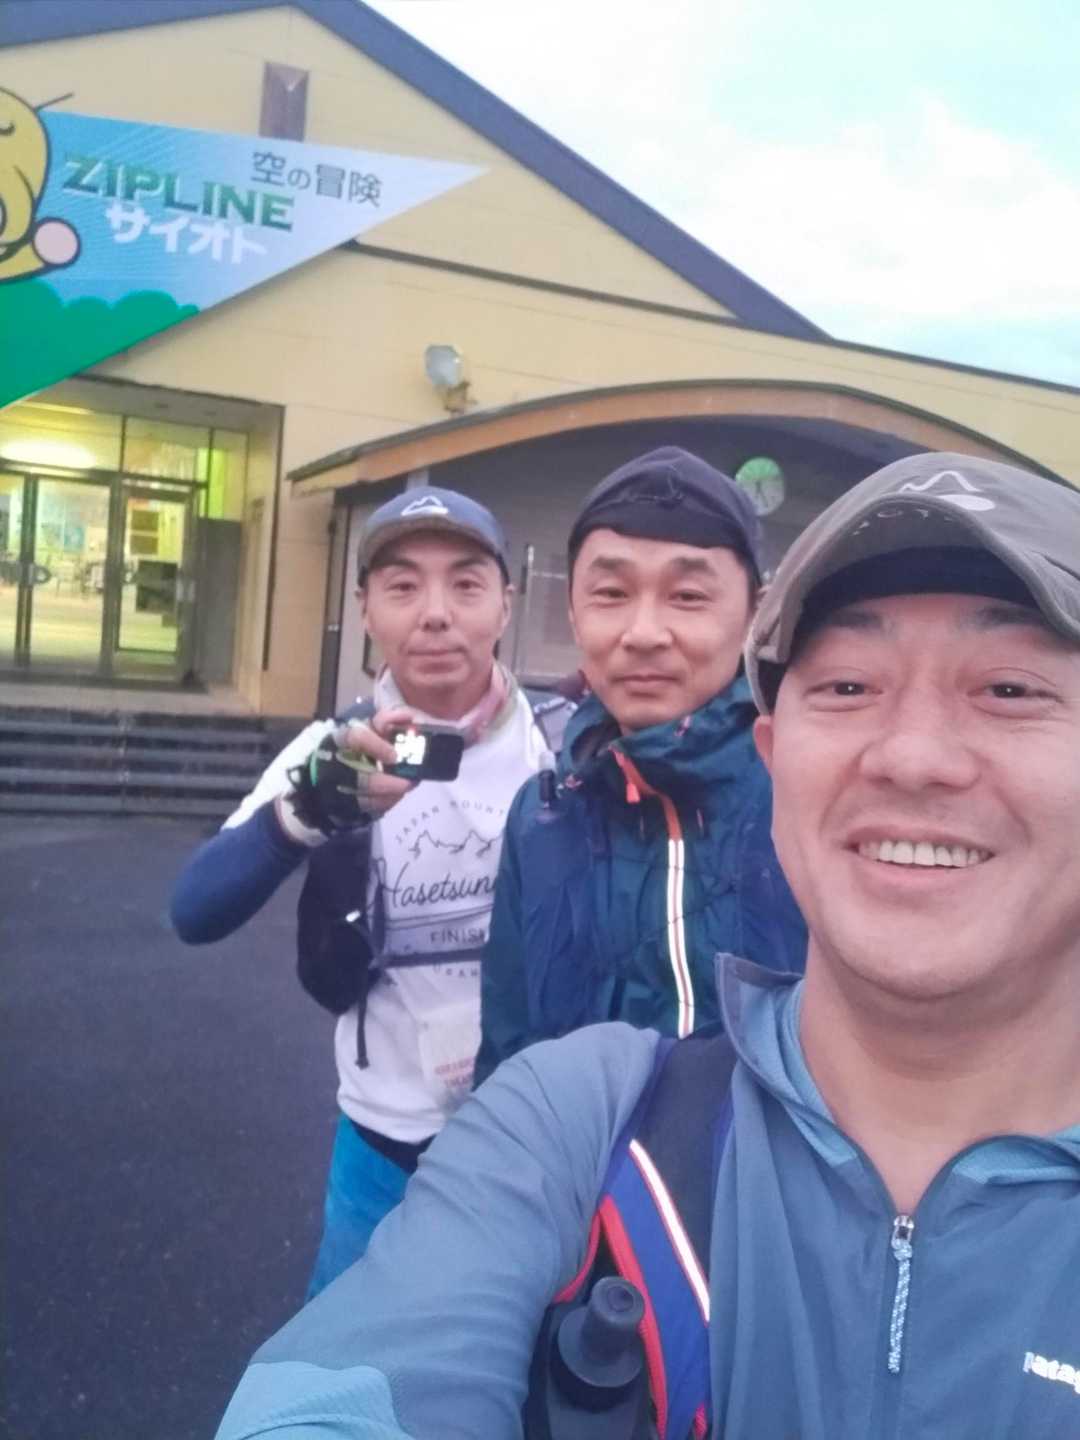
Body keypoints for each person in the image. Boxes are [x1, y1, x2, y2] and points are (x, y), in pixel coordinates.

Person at [215, 450, 1080, 1440]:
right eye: (848, 685)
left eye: (1010, 690)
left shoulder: (774, 806)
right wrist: (306, 812)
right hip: (515, 1189)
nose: (913, 757)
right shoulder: (545, 822)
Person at [170, 486, 572, 1295]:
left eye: (465, 585)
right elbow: (194, 910)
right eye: (402, 586)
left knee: (529, 1363)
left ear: (505, 602)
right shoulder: (335, 751)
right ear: (365, 610)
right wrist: (306, 812)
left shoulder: (562, 744)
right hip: (382, 1149)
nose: (436, 614)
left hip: (541, 1143)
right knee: (343, 1362)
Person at [476, 447, 806, 1082]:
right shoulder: (541, 816)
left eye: (688, 595)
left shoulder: (814, 798)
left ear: (756, 614)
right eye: (611, 593)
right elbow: (506, 1049)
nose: (645, 632)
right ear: (574, 612)